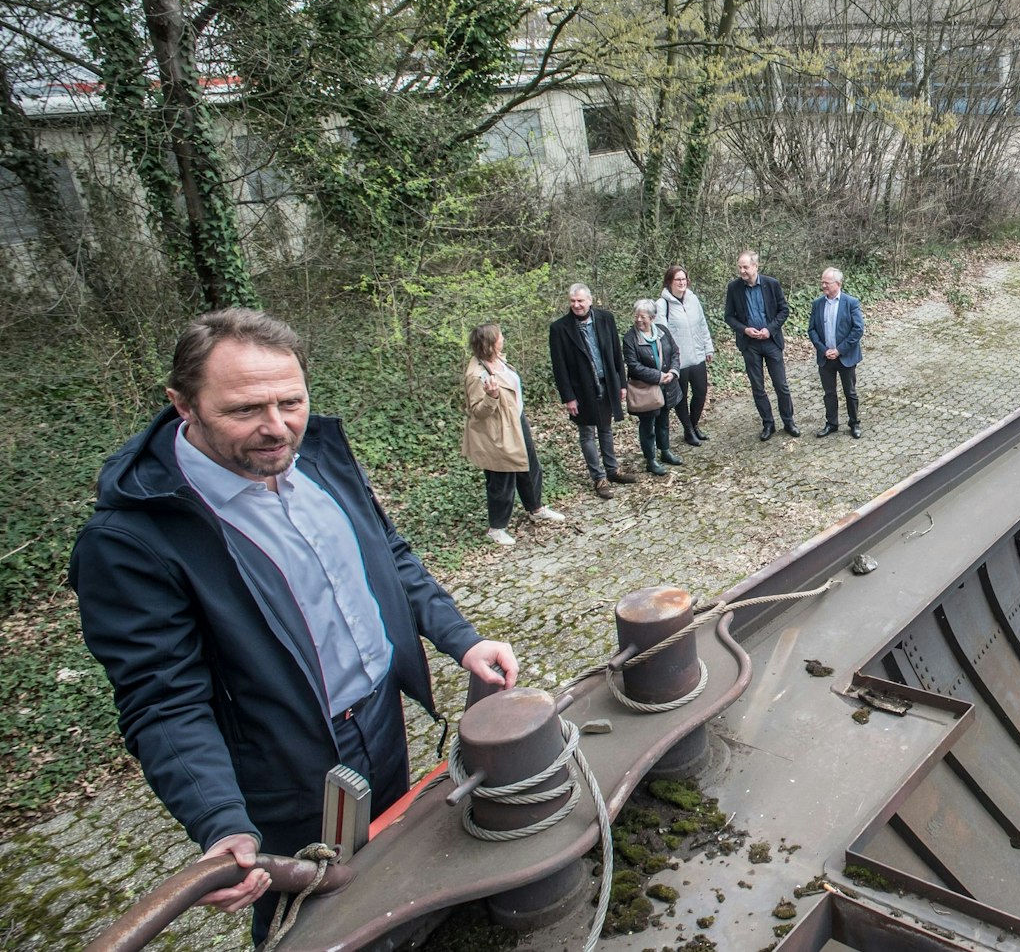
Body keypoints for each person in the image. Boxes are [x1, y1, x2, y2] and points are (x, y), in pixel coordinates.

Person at [69, 309, 518, 944]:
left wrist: (462, 639)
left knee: (393, 866)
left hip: (382, 722)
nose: (276, 429)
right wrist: (220, 819)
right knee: (310, 920)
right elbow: (162, 699)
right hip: (284, 773)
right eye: (246, 410)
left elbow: (388, 558)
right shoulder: (130, 543)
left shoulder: (321, 458)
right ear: (182, 405)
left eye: (291, 402)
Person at [462, 323, 566, 545]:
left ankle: (535, 508)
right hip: (496, 433)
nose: (503, 339)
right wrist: (491, 396)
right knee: (502, 479)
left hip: (516, 422)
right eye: (500, 336)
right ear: (490, 343)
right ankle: (496, 528)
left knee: (530, 467)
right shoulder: (476, 374)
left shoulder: (498, 360)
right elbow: (477, 412)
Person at [549, 283, 632, 498]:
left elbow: (616, 353)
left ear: (590, 300)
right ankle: (599, 478)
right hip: (581, 389)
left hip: (606, 383)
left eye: (580, 301)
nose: (576, 305)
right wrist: (568, 397)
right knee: (587, 433)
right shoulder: (560, 329)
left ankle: (613, 470)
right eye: (572, 301)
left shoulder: (606, 319)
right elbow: (559, 367)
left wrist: (621, 383)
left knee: (605, 427)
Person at [723, 250, 799, 441]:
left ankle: (788, 421)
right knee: (758, 387)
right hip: (750, 345)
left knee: (781, 385)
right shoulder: (734, 288)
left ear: (755, 266)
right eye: (740, 267)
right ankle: (768, 423)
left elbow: (784, 310)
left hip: (771, 342)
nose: (742, 271)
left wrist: (770, 329)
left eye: (745, 267)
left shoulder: (771, 284)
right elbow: (729, 316)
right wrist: (744, 330)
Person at [623, 299, 684, 474]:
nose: (639, 320)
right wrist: (658, 376)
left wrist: (672, 372)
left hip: (667, 385)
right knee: (647, 424)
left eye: (643, 317)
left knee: (663, 420)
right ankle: (651, 460)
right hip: (646, 389)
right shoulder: (630, 338)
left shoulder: (663, 332)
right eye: (636, 316)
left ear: (653, 317)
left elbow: (675, 352)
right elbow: (634, 366)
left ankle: (665, 451)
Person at [658, 264, 715, 447]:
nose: (682, 282)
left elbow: (702, 324)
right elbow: (661, 335)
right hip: (678, 360)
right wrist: (668, 360)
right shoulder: (662, 304)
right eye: (678, 279)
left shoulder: (693, 299)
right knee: (680, 397)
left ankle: (693, 424)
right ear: (669, 282)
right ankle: (688, 430)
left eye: (684, 279)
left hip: (697, 355)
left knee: (701, 392)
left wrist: (708, 348)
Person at [808, 266, 864, 439]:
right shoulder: (817, 304)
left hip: (845, 357)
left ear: (838, 284)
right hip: (825, 358)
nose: (823, 285)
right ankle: (831, 423)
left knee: (850, 392)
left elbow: (858, 329)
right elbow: (812, 330)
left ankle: (854, 423)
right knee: (829, 393)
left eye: (827, 282)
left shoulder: (851, 303)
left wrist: (839, 350)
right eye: (822, 282)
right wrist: (824, 350)